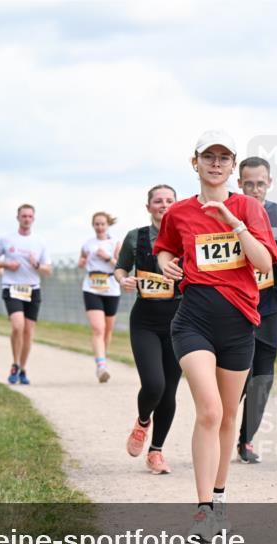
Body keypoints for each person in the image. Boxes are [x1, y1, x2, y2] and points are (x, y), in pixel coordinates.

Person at [154, 130, 277, 540]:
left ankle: (220, 498)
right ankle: (204, 509)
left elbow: (264, 265)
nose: (216, 164)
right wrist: (166, 262)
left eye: (224, 158)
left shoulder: (248, 207)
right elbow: (165, 246)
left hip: (240, 324)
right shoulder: (179, 212)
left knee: (227, 416)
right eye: (208, 157)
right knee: (208, 410)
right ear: (195, 163)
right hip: (192, 321)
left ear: (233, 166)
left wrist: (235, 223)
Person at [234, 156, 277, 464]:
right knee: (236, 374)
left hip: (269, 306)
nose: (255, 189)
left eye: (260, 183)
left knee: (263, 376)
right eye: (248, 183)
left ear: (269, 183)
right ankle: (218, 430)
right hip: (234, 304)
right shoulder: (228, 213)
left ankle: (246, 440)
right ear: (239, 184)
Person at [115, 185, 181, 475]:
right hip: (145, 319)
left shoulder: (186, 234)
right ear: (148, 206)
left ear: (176, 205)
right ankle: (143, 421)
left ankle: (156, 452)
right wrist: (123, 280)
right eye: (158, 201)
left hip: (180, 320)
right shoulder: (136, 237)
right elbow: (120, 268)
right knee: (154, 384)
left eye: (169, 201)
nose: (163, 205)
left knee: (169, 393)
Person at [0, 204, 52, 385]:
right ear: (18, 217)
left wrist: (37, 265)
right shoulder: (6, 239)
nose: (26, 219)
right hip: (12, 287)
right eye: (23, 216)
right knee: (17, 326)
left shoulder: (40, 241)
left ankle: (23, 368)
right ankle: (15, 364)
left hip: (32, 288)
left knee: (28, 331)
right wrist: (6, 265)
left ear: (34, 219)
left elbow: (48, 270)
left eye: (30, 216)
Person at [79, 212, 122, 382]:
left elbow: (120, 266)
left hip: (111, 288)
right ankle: (101, 366)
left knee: (107, 330)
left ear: (108, 225)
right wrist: (83, 262)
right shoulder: (87, 244)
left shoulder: (115, 243)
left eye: (102, 224)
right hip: (91, 288)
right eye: (96, 224)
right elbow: (80, 263)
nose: (99, 227)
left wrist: (108, 257)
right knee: (98, 328)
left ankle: (102, 358)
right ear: (93, 225)